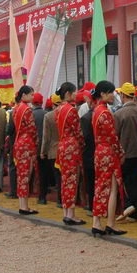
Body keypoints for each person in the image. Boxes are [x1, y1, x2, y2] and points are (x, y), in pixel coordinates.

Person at [91, 81, 126, 236]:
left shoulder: (96, 111)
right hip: (108, 152)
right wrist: (120, 152)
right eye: (111, 92)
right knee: (112, 189)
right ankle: (109, 223)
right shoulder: (104, 113)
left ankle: (97, 222)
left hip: (100, 151)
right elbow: (113, 136)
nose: (114, 95)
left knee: (100, 187)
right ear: (103, 94)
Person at [114, 82, 137, 221]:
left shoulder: (119, 114)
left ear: (122, 95)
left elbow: (115, 135)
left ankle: (130, 208)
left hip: (125, 154)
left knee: (127, 183)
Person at [55, 82, 86, 225]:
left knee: (65, 179)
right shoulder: (71, 110)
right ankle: (71, 214)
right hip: (71, 146)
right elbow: (77, 131)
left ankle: (66, 211)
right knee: (72, 180)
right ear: (68, 93)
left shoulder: (58, 109)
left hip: (62, 144)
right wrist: (82, 144)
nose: (76, 94)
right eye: (74, 92)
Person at [11, 85, 39, 215]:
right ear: (24, 95)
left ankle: (22, 204)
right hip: (27, 143)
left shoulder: (16, 109)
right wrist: (36, 142)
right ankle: (25, 206)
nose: (32, 97)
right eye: (31, 94)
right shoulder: (27, 110)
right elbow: (32, 129)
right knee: (26, 175)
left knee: (21, 175)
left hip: (18, 142)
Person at [40, 94, 61, 206]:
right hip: (67, 149)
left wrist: (43, 151)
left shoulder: (49, 116)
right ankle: (63, 200)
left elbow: (46, 136)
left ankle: (59, 200)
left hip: (53, 150)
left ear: (53, 104)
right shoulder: (70, 112)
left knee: (56, 176)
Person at [31, 93, 48, 205]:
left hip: (33, 147)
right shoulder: (47, 114)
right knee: (44, 173)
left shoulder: (30, 114)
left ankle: (32, 193)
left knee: (33, 172)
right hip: (45, 147)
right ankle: (43, 196)